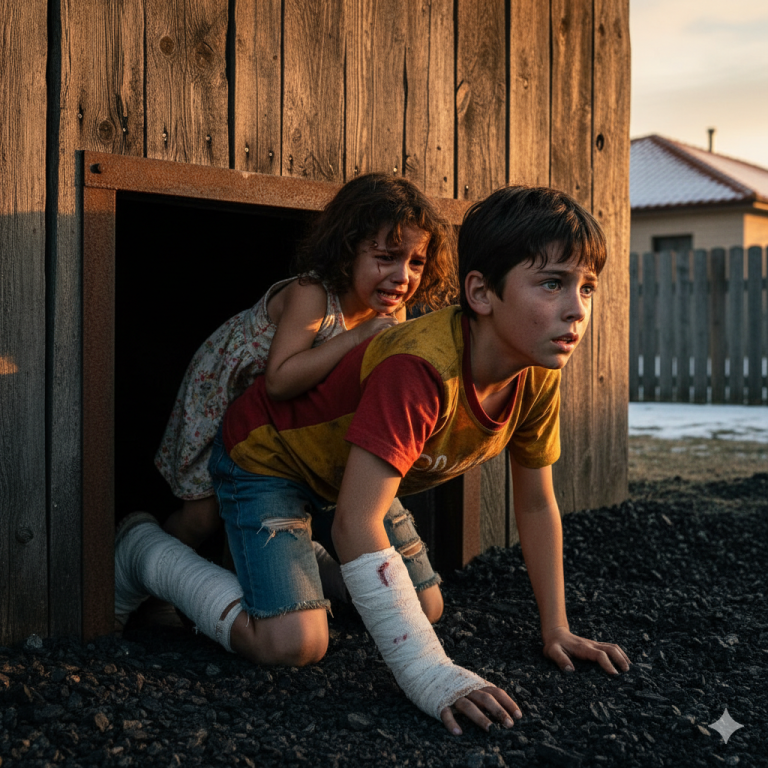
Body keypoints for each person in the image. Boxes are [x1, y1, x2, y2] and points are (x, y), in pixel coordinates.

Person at [115, 185, 631, 736]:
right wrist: (431, 673)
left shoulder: (535, 376)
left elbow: (535, 503)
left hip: (348, 475)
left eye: (588, 287)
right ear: (480, 292)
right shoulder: (420, 368)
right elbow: (356, 522)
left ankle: (299, 558)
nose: (577, 309)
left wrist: (556, 628)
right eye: (552, 283)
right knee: (295, 644)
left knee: (426, 605)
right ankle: (143, 553)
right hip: (271, 457)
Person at [152, 172, 457, 554]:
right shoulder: (312, 293)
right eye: (386, 258)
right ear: (347, 249)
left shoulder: (393, 312)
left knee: (280, 509)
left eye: (416, 262)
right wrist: (357, 337)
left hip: (279, 428)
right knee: (201, 517)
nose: (402, 276)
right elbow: (279, 380)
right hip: (223, 397)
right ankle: (153, 579)